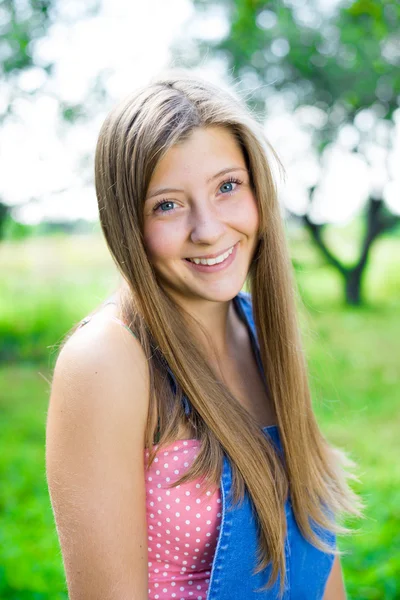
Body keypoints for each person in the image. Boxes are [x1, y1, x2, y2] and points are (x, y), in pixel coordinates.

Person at [45, 69, 363, 600]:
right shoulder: (108, 361)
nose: (209, 229)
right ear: (126, 222)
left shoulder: (264, 333)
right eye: (167, 204)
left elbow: (315, 556)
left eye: (227, 187)